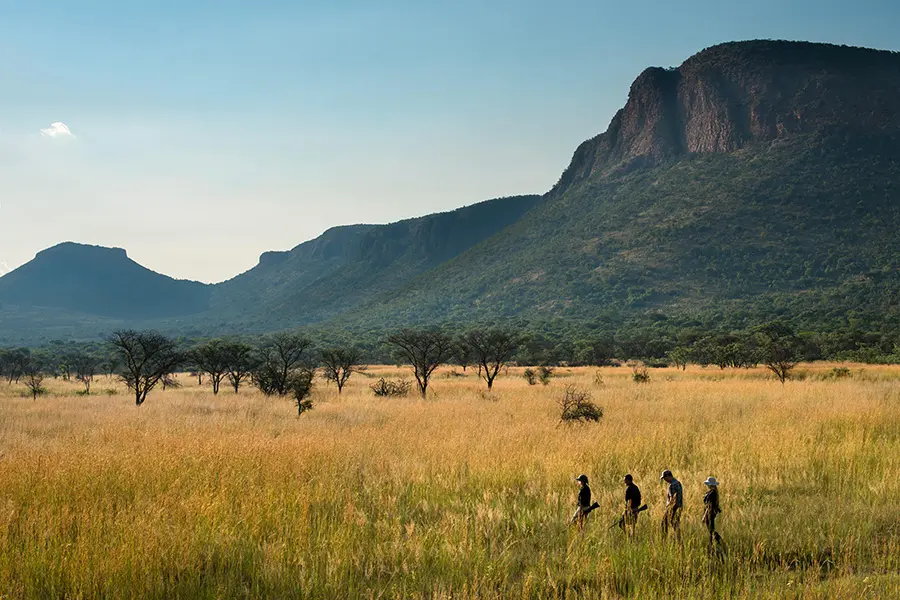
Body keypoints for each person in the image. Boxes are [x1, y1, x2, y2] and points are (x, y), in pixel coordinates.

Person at [702, 476, 724, 552]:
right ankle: (714, 543)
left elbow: (709, 505)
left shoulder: (712, 493)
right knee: (711, 530)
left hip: (710, 513)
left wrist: (704, 516)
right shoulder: (714, 492)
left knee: (711, 530)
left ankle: (715, 543)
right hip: (712, 513)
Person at [660, 469, 683, 540]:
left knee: (664, 524)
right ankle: (679, 541)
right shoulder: (678, 483)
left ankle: (664, 540)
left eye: (664, 478)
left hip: (672, 508)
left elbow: (672, 499)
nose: (664, 480)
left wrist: (669, 509)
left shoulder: (672, 485)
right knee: (676, 525)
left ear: (668, 476)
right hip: (679, 507)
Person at [621, 473, 642, 539]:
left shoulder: (629, 489)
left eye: (625, 480)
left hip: (630, 509)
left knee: (622, 524)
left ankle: (629, 537)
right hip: (636, 509)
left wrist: (627, 510)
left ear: (629, 480)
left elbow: (628, 501)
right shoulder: (636, 487)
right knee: (632, 525)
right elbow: (639, 499)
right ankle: (632, 537)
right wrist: (637, 508)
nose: (624, 482)